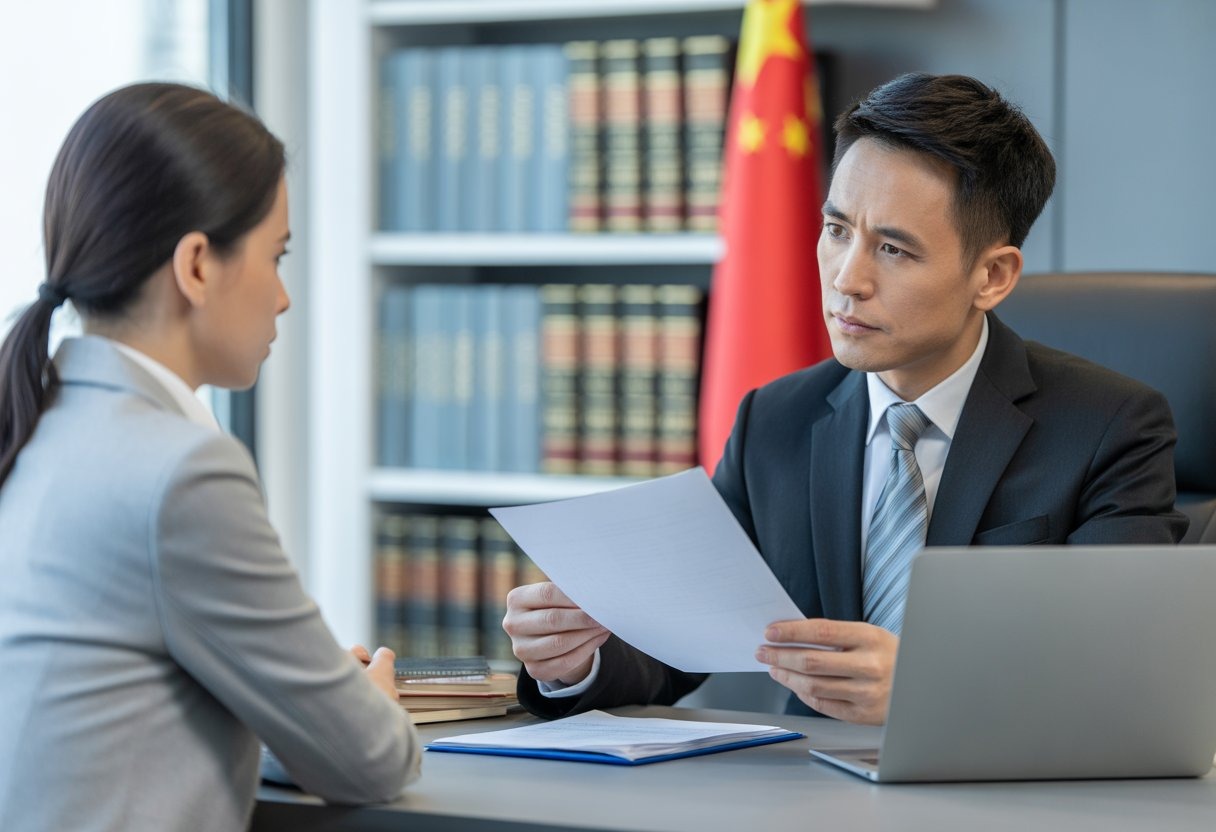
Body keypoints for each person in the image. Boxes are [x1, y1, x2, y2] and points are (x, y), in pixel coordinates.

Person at [503, 73, 1188, 727]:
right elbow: (676, 649)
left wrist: (929, 686)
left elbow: (1123, 672)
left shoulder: (1110, 428)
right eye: (837, 230)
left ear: (993, 275)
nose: (847, 279)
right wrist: (575, 661)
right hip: (806, 794)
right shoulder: (776, 420)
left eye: (893, 249)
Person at [0, 83, 419, 831]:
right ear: (196, 265)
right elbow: (372, 759)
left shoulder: (34, 427)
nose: (284, 299)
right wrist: (363, 707)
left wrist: (293, 707)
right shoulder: (181, 471)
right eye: (276, 256)